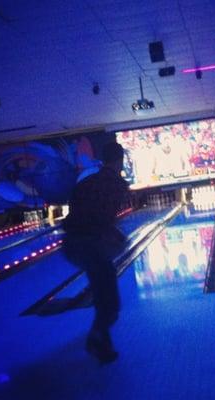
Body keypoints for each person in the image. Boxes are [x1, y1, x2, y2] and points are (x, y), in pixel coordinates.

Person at [63, 141, 129, 364]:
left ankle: (101, 341)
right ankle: (96, 340)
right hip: (91, 245)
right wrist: (114, 235)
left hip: (73, 244)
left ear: (102, 159)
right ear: (121, 160)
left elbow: (75, 211)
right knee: (110, 303)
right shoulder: (117, 185)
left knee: (105, 297)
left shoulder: (87, 181)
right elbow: (101, 219)